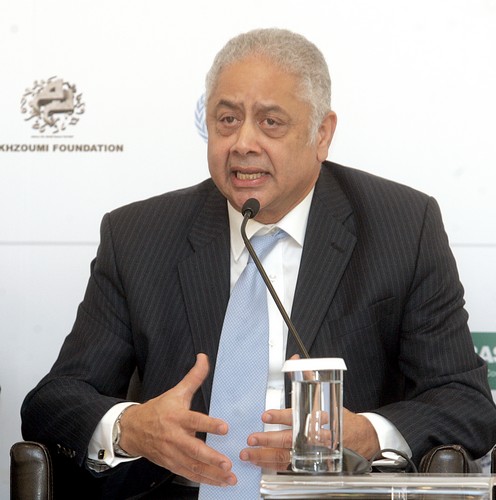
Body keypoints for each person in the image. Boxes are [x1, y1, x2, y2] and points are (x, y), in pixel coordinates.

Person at [22, 28, 496, 499]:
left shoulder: (401, 227)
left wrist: (368, 436)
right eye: (227, 119)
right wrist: (131, 428)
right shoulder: (138, 236)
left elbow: (466, 401)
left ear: (322, 134)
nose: (243, 143)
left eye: (271, 122)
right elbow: (54, 401)